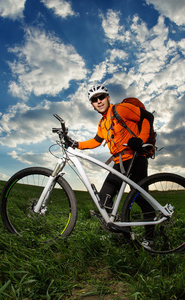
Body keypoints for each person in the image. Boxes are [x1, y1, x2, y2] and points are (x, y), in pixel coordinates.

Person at [65, 84, 155, 243]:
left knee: (140, 198)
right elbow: (96, 141)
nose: (98, 101)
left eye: (101, 97)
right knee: (103, 199)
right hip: (119, 163)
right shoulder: (102, 123)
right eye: (94, 99)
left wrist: (140, 139)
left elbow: (147, 117)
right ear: (92, 104)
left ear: (108, 98)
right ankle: (122, 233)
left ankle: (150, 238)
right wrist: (76, 144)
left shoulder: (120, 109)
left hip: (135, 158)